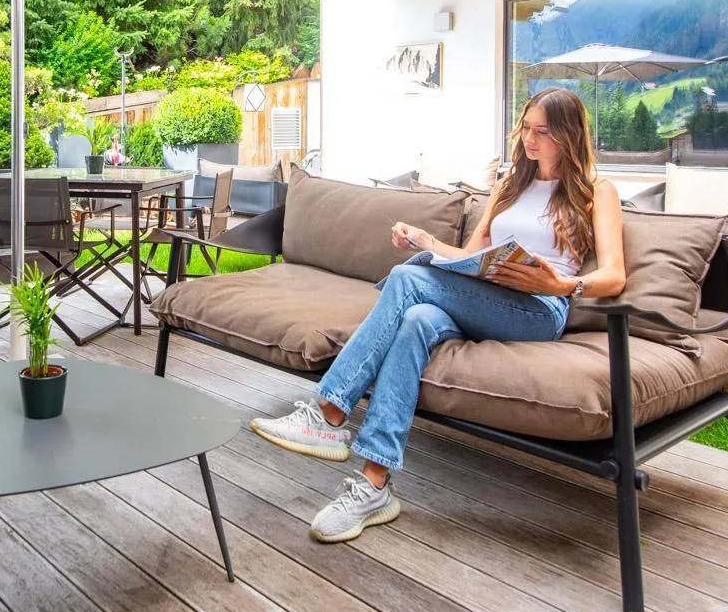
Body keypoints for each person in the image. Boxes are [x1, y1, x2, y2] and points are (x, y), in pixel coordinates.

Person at [250, 87, 626, 543]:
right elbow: (469, 256)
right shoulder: (510, 186)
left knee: (407, 281)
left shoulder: (596, 191)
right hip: (483, 295)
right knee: (414, 321)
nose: (530, 139)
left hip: (539, 310)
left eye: (542, 132)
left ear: (568, 135)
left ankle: (329, 411)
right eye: (526, 128)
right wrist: (425, 241)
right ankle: (374, 484)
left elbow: (614, 275)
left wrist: (561, 284)